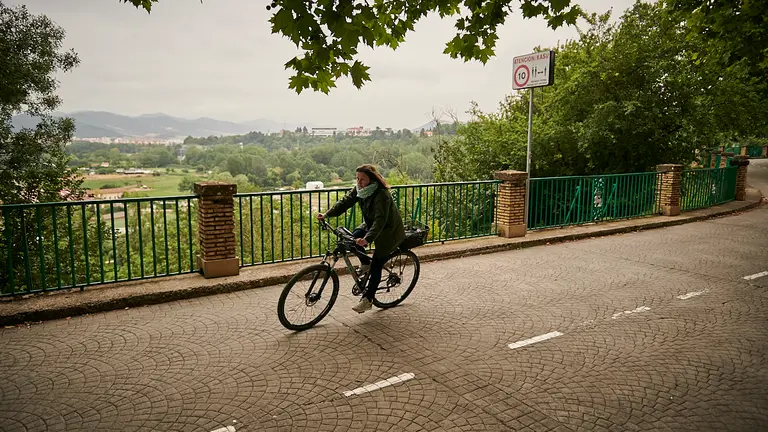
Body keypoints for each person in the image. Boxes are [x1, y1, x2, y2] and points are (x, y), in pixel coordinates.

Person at [317, 164, 405, 313]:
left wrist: (367, 239)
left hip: (388, 231)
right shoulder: (360, 190)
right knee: (351, 239)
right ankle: (365, 264)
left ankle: (368, 300)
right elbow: (345, 202)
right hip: (371, 225)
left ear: (371, 179)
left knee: (377, 265)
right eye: (357, 178)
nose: (358, 182)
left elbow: (380, 220)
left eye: (362, 179)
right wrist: (327, 214)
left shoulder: (381, 194)